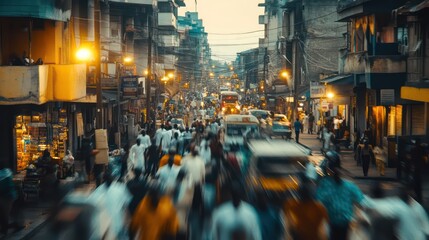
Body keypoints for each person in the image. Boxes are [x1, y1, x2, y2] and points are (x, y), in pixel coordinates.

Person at [316, 151, 364, 240]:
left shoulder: (324, 185)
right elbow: (362, 202)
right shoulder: (350, 186)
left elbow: (318, 202)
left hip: (332, 222)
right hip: (345, 222)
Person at [0, 162, 18, 235]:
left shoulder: (2, 175)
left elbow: (3, 188)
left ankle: (5, 229)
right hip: (10, 196)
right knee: (4, 213)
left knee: (5, 213)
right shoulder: (7, 172)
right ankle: (7, 227)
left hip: (6, 197)